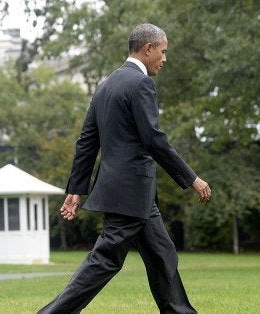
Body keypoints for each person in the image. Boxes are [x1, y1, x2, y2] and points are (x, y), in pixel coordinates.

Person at [38, 23, 211, 314]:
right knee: (105, 260)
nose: (165, 59)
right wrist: (192, 178)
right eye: (163, 51)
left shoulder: (106, 85)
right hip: (129, 192)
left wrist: (77, 189)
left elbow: (86, 143)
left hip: (135, 194)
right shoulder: (141, 84)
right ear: (148, 49)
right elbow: (154, 140)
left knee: (162, 255)